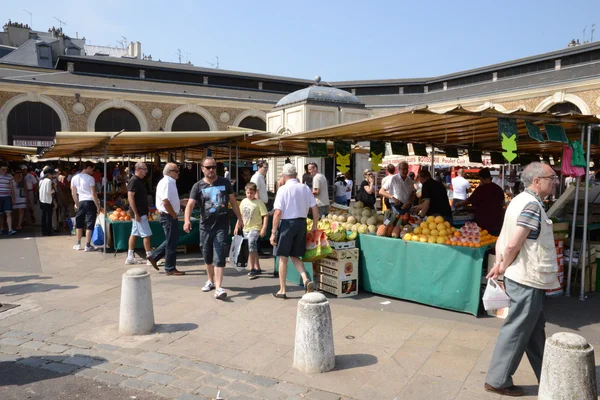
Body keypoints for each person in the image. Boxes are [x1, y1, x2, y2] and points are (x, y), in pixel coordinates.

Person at [484, 162, 560, 397]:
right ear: (537, 181)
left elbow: (504, 238)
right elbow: (513, 242)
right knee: (517, 329)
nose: (556, 181)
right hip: (526, 277)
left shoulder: (519, 201)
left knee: (534, 330)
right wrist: (502, 266)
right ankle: (498, 380)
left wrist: (500, 263)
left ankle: (548, 376)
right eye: (552, 177)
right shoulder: (531, 205)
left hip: (525, 276)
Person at [184, 157, 244, 299]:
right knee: (207, 255)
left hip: (222, 225)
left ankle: (219, 287)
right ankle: (210, 280)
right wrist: (187, 220)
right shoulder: (198, 186)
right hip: (205, 226)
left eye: (213, 167)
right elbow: (190, 205)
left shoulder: (224, 182)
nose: (211, 170)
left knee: (220, 253)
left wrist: (240, 219)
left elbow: (233, 202)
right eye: (208, 167)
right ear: (202, 168)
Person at [270, 164, 318, 298]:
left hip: (287, 224)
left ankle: (282, 290)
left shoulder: (283, 189)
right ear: (296, 175)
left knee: (283, 258)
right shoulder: (304, 188)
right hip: (301, 223)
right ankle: (305, 279)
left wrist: (273, 232)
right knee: (295, 255)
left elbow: (278, 212)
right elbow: (314, 207)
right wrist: (315, 224)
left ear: (284, 176)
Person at [148, 163, 184, 276]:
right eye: (176, 171)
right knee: (171, 241)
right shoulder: (167, 182)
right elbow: (165, 201)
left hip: (168, 214)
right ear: (169, 172)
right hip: (167, 215)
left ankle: (154, 256)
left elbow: (169, 200)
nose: (178, 173)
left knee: (172, 239)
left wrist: (180, 202)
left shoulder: (169, 182)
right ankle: (170, 267)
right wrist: (173, 214)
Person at [453, 168, 505, 236]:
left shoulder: (480, 190)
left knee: (484, 240)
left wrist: (458, 204)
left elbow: (469, 201)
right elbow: (503, 203)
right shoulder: (498, 188)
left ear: (480, 178)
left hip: (483, 223)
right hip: (497, 222)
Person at [235, 182, 268, 279]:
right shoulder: (244, 202)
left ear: (255, 193)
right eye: (248, 193)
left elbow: (265, 216)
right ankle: (257, 267)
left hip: (255, 228)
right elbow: (240, 215)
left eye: (252, 193)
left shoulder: (259, 202)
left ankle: (252, 268)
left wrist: (264, 228)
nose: (250, 195)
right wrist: (237, 226)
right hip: (246, 228)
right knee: (252, 247)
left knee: (251, 244)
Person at [125, 162, 154, 266]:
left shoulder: (139, 181)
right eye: (144, 169)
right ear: (138, 169)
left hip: (140, 211)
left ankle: (130, 256)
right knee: (146, 234)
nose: (146, 171)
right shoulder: (134, 181)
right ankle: (149, 257)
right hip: (139, 212)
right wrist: (136, 213)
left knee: (134, 233)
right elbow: (130, 197)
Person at [71, 161, 100, 252]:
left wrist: (77, 203)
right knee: (90, 223)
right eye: (92, 169)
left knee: (79, 223)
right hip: (90, 202)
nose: (92, 171)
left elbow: (73, 193)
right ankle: (88, 245)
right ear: (88, 168)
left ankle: (78, 244)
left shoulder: (74, 178)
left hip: (81, 201)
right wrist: (98, 206)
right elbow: (93, 193)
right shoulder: (90, 178)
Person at [0, 162, 17, 235]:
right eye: (3, 169)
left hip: (7, 196)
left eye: (6, 169)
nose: (5, 171)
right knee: (0, 214)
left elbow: (12, 187)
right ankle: (1, 228)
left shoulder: (9, 176)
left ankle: (10, 229)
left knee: (8, 213)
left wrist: (13, 197)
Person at [39, 167, 55, 236]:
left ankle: (44, 231)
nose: (52, 176)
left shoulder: (41, 181)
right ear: (48, 174)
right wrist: (54, 190)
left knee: (43, 217)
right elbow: (49, 192)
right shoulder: (49, 181)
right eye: (51, 174)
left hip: (42, 200)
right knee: (48, 217)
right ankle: (49, 231)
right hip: (47, 201)